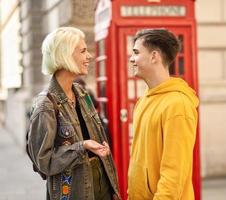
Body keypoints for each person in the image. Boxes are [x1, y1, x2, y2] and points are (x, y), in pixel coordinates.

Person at [27, 27, 120, 200]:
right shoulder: (45, 106)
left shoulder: (82, 93)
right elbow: (44, 162)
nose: (89, 56)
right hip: (74, 191)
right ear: (66, 55)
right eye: (83, 51)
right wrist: (81, 146)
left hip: (102, 186)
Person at [127, 29, 199, 200]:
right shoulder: (144, 99)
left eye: (136, 52)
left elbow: (174, 173)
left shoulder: (178, 106)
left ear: (154, 56)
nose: (131, 59)